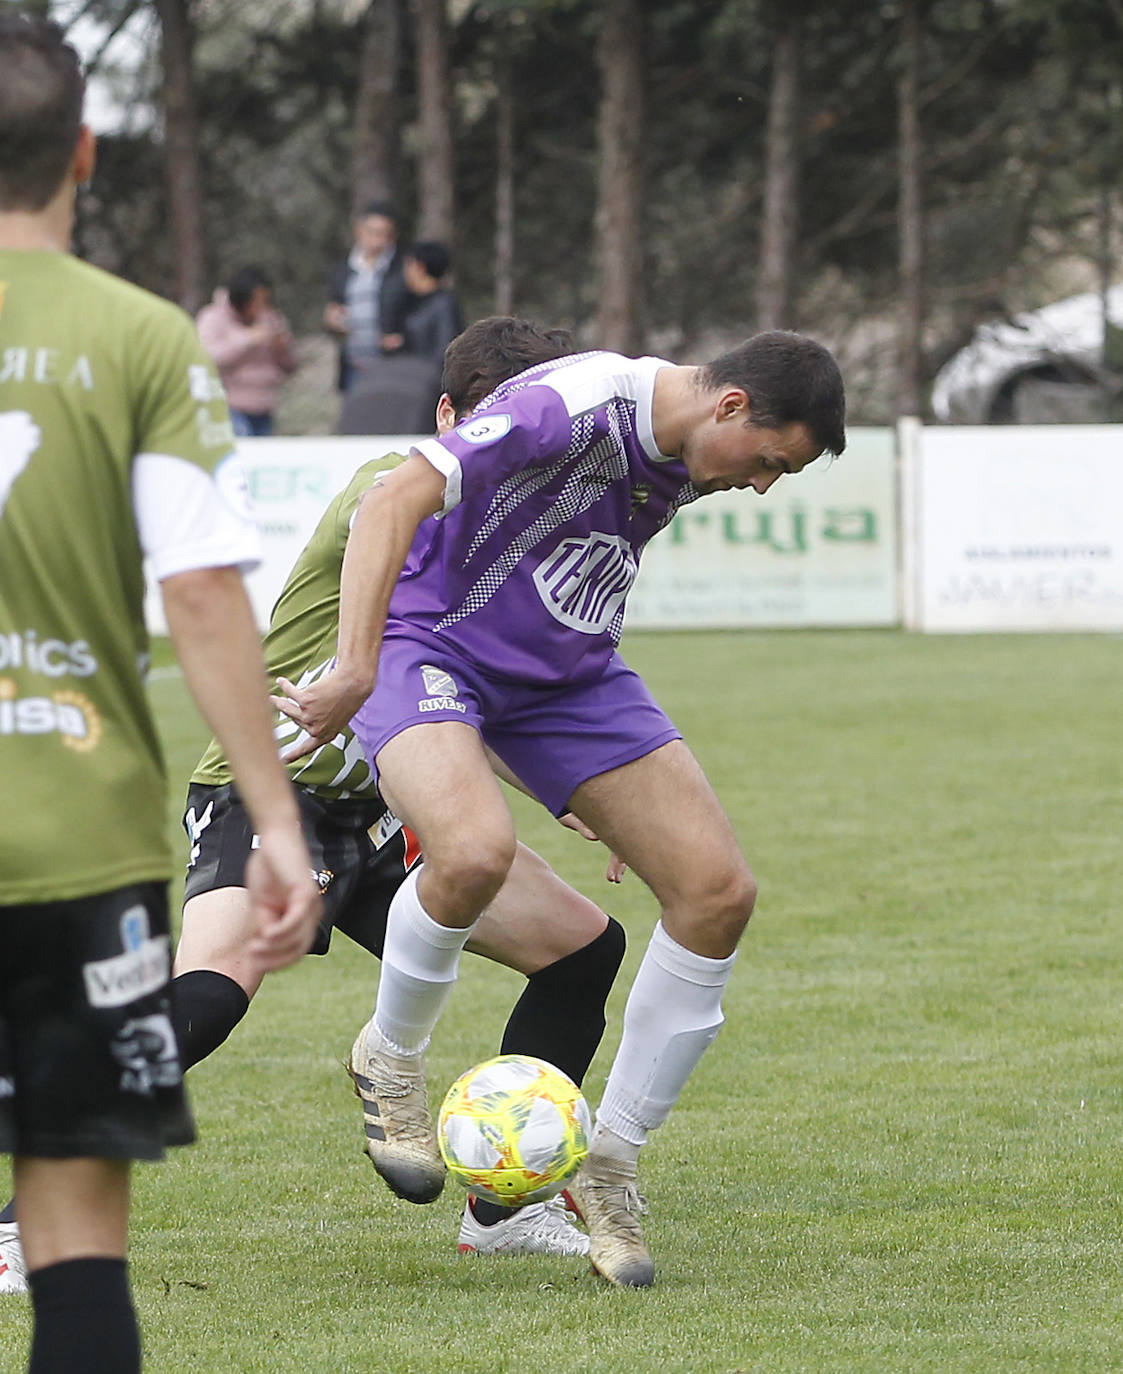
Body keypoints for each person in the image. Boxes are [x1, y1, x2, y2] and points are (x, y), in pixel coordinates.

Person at [0, 318, 624, 1292]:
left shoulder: (512, 530)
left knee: (582, 948)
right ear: (448, 417)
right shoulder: (395, 481)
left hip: (382, 808)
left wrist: (576, 794)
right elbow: (394, 525)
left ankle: (504, 1210)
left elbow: (458, 681)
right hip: (268, 783)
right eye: (492, 425)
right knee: (211, 990)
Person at [273, 329, 847, 1288]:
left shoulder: (692, 452)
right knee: (469, 850)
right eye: (768, 463)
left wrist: (582, 788)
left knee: (715, 892)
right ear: (731, 406)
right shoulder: (575, 402)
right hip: (431, 647)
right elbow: (392, 500)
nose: (761, 486)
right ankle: (392, 1058)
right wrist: (359, 663)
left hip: (566, 678)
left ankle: (613, 1160)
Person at [0, 15, 321, 1373]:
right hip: (82, 842)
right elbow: (201, 596)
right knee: (73, 1239)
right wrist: (276, 819)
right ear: (82, 149)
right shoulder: (138, 338)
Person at [195, 265, 298, 436]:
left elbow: (290, 365)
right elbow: (208, 358)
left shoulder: (272, 318)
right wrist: (248, 339)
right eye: (255, 300)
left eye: (264, 300)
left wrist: (282, 349)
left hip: (265, 407)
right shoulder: (211, 318)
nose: (260, 307)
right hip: (230, 407)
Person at [324, 202, 410, 394]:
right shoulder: (343, 269)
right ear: (359, 230)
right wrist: (333, 320)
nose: (378, 240)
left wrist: (402, 337)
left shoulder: (403, 269)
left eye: (385, 234)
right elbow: (334, 308)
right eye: (373, 232)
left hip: (392, 366)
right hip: (353, 366)